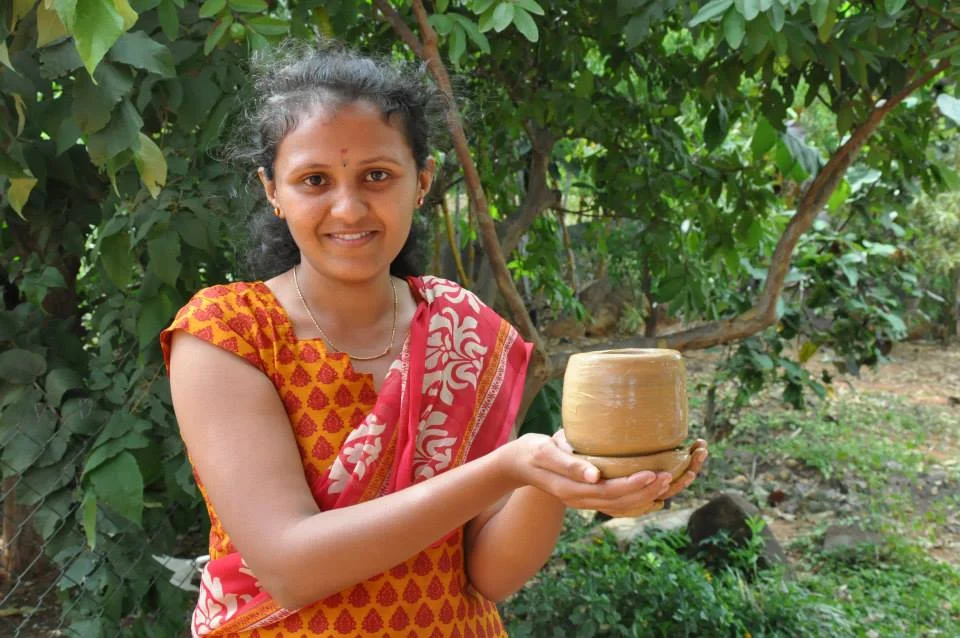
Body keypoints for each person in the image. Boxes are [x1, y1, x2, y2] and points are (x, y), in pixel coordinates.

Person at [161, 40, 708, 638]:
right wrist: (508, 468)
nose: (349, 208)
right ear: (272, 190)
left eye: (377, 176)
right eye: (314, 180)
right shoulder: (229, 333)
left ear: (421, 181)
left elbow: (490, 575)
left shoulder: (459, 329)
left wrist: (554, 474)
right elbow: (290, 567)